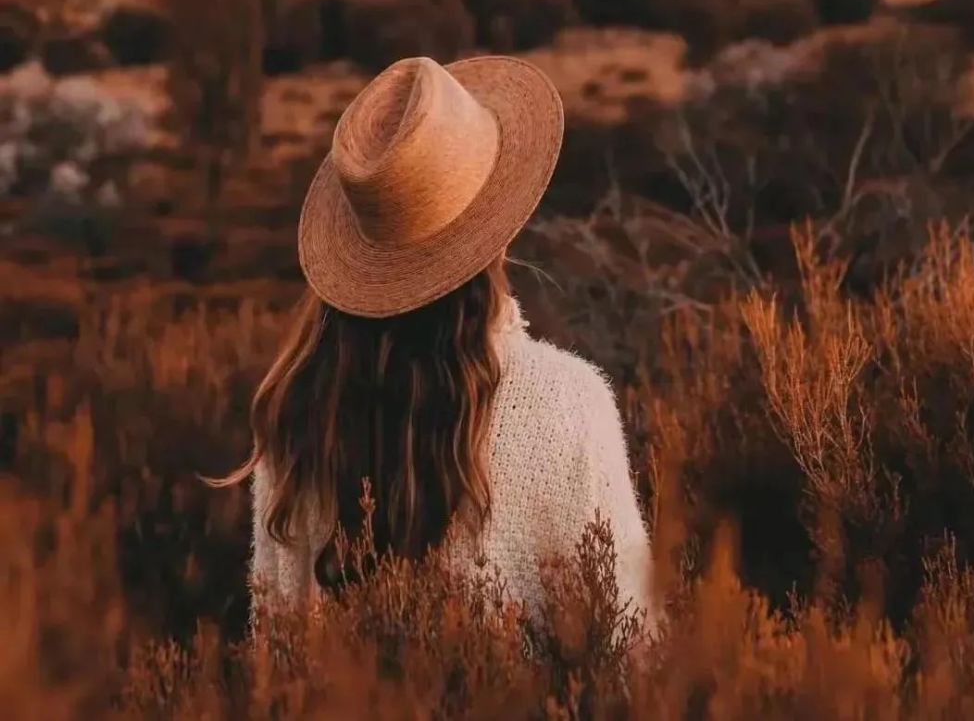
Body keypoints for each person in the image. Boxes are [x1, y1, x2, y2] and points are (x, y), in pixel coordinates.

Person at [217, 55, 654, 626]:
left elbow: (275, 659)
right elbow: (631, 644)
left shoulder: (298, 417)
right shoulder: (566, 403)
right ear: (495, 235)